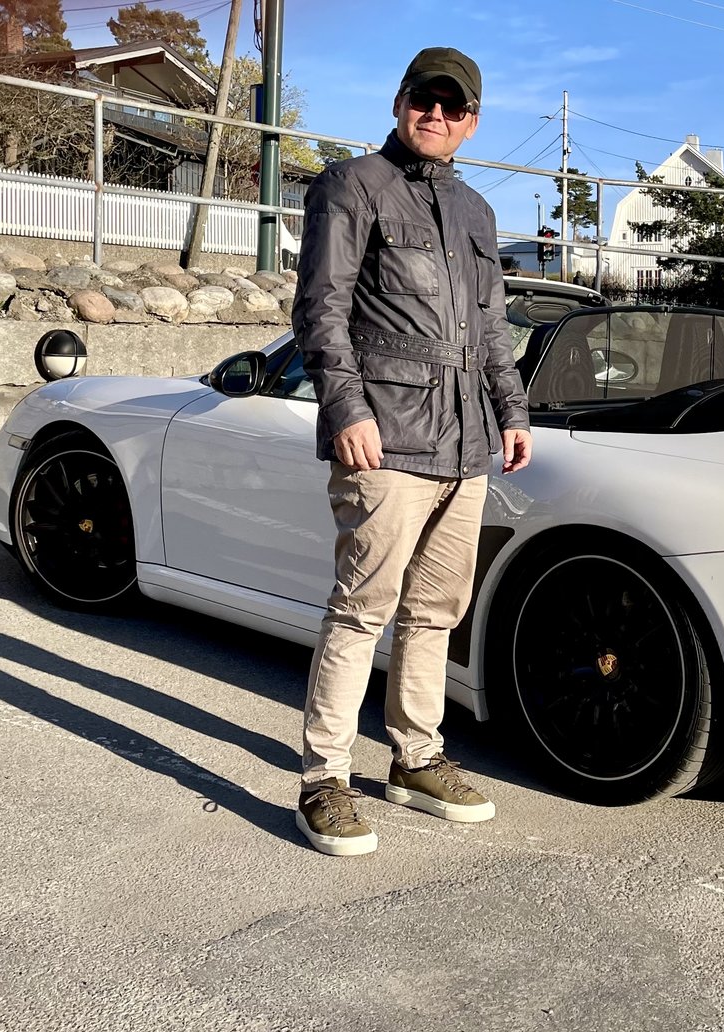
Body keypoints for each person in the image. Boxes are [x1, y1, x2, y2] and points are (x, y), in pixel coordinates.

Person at [290, 47, 532, 857]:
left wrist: (512, 411)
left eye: (453, 106)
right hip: (385, 437)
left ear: (472, 123)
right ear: (399, 103)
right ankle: (324, 779)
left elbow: (492, 329)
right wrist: (347, 408)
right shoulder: (351, 185)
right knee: (361, 608)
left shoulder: (476, 212)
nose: (436, 115)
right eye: (424, 99)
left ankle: (416, 759)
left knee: (435, 612)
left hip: (465, 443)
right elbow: (320, 309)